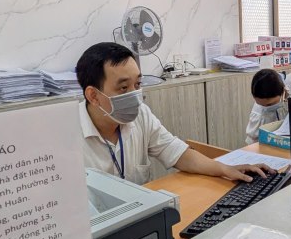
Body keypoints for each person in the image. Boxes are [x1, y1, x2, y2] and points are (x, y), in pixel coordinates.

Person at [77, 42, 273, 185]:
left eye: (138, 84)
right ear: (93, 95)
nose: (135, 95)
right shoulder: (65, 139)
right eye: (123, 88)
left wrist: (225, 169)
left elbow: (176, 152)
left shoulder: (141, 115)